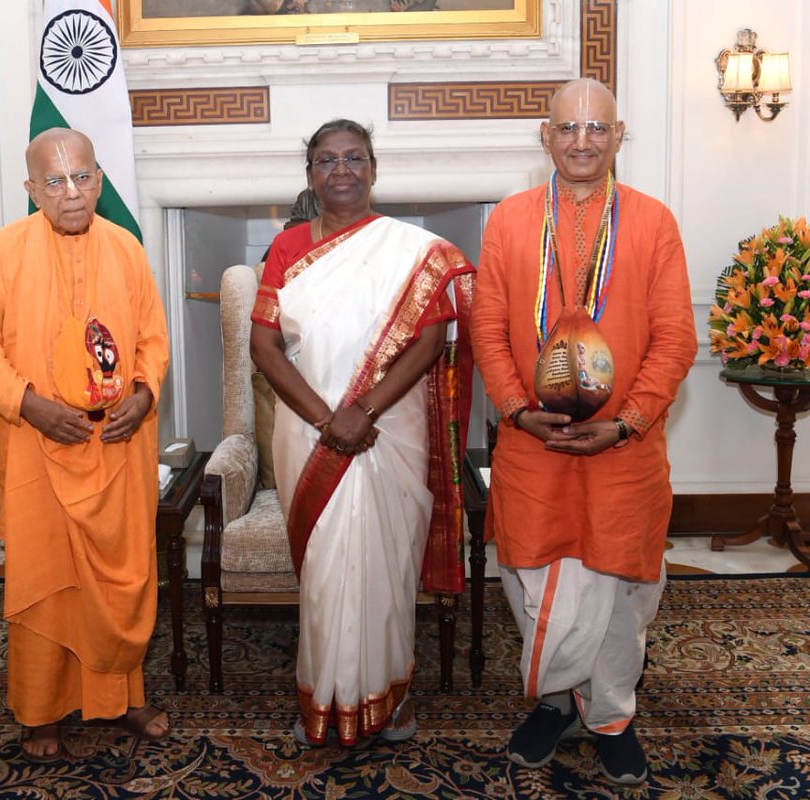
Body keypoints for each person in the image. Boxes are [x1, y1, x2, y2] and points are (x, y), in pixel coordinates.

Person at [470, 78, 697, 785]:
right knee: (535, 584)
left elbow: (676, 338)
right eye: (568, 129)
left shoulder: (654, 223)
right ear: (546, 137)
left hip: (622, 453)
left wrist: (627, 423)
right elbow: (486, 326)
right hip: (532, 449)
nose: (582, 142)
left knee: (622, 595)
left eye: (597, 129)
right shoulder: (508, 221)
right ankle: (553, 701)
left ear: (618, 136)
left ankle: (610, 714)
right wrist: (514, 408)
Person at [250, 119, 475, 747]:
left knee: (387, 571)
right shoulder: (288, 247)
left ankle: (392, 698)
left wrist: (365, 411)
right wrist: (330, 419)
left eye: (354, 158)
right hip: (311, 431)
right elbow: (263, 347)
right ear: (310, 175)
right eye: (326, 160)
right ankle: (326, 700)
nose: (341, 170)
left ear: (374, 168)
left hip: (389, 430)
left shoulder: (412, 250)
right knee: (325, 574)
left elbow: (430, 342)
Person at [0, 127, 170, 760]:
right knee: (45, 577)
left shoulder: (127, 247)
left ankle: (123, 699)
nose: (71, 193)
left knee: (120, 578)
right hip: (37, 444)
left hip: (115, 442)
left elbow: (150, 340)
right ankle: (41, 709)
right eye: (53, 182)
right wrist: (31, 406)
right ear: (31, 190)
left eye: (81, 177)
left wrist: (143, 392)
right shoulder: (4, 251)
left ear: (100, 182)